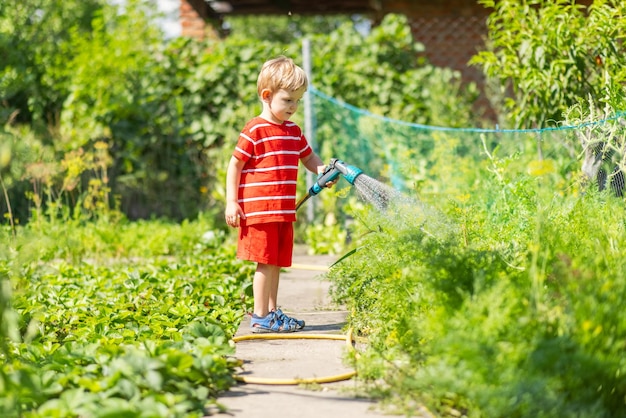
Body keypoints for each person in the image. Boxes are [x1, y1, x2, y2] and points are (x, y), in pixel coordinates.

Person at [225, 56, 333, 333]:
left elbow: (308, 158)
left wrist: (321, 168)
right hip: (259, 212)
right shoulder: (255, 130)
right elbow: (235, 164)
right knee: (264, 264)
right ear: (267, 95)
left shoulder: (293, 132)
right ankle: (261, 316)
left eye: (298, 100)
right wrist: (231, 202)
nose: (294, 107)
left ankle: (272, 312)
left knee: (275, 264)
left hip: (283, 211)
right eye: (288, 100)